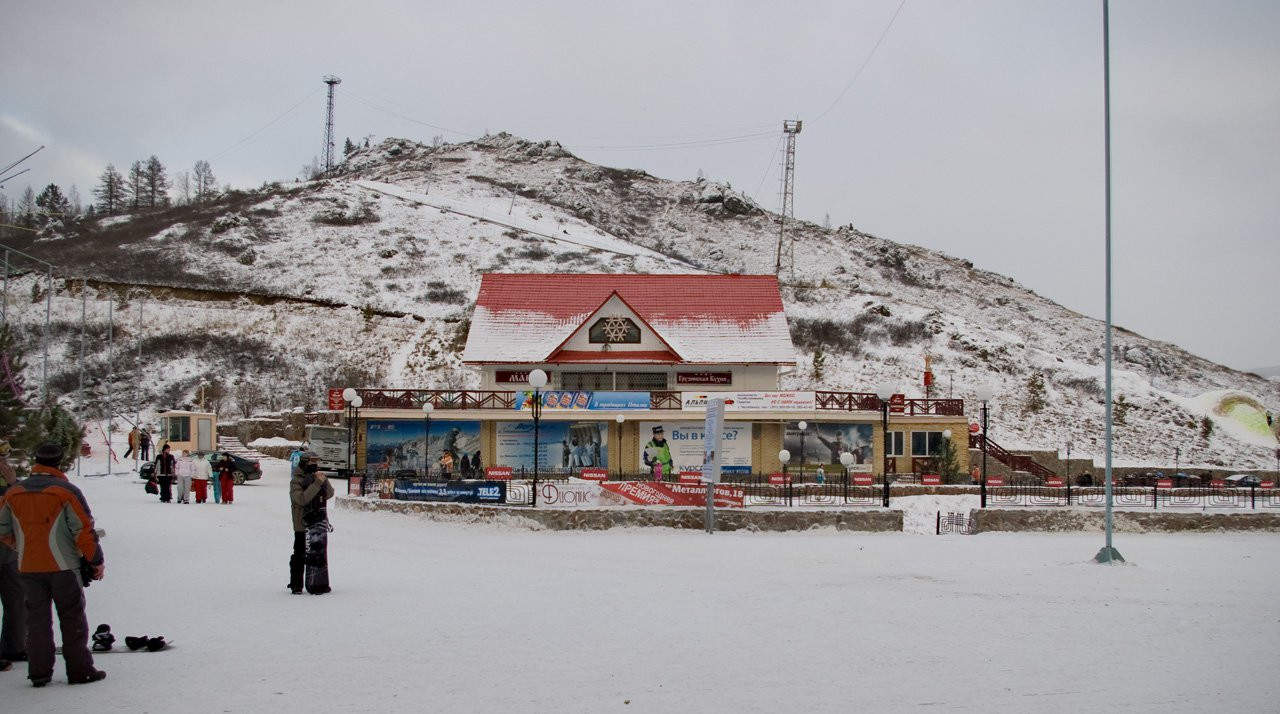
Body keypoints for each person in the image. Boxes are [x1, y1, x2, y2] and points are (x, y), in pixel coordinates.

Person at [0, 444, 106, 686]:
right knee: (72, 618)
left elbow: (2, 529)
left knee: (36, 620)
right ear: (60, 462)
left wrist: (21, 548)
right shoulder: (66, 491)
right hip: (64, 565)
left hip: (28, 565)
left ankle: (39, 671)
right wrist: (95, 560)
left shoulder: (14, 492)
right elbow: (83, 530)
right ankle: (80, 670)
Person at [288, 451, 334, 595]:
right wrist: (317, 483)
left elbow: (329, 493)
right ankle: (296, 584)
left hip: (317, 523)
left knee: (318, 553)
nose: (314, 465)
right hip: (302, 523)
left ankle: (318, 581)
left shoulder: (317, 476)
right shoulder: (296, 480)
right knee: (300, 553)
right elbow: (301, 499)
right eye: (311, 462)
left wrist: (323, 480)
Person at [0, 442, 26, 670]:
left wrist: (12, 484)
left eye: (5, 459)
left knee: (16, 598)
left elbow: (24, 506)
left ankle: (15, 647)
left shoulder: (11, 483)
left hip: (9, 549)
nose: (4, 464)